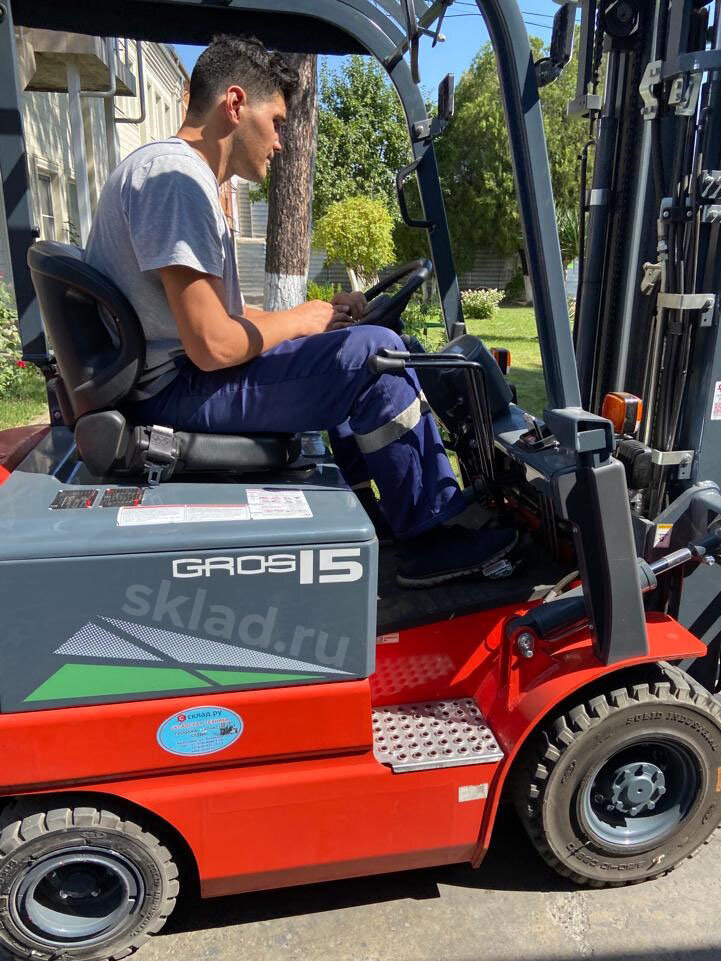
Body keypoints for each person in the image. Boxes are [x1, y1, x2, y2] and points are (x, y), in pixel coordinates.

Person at [85, 34, 517, 587]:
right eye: (279, 122)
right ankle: (429, 531)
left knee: (348, 347)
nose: (282, 142)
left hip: (174, 380)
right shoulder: (176, 181)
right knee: (376, 355)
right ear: (235, 105)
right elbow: (213, 344)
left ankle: (371, 513)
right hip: (172, 391)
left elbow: (226, 324)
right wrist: (303, 320)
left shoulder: (174, 175)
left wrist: (318, 317)